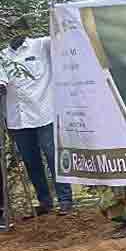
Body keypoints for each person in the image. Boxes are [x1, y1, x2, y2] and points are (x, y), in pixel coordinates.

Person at [0, 17, 74, 217]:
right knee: (31, 162)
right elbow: (2, 82)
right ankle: (44, 201)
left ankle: (65, 199)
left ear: (25, 29)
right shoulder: (3, 56)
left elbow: (65, 37)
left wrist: (58, 13)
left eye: (16, 27)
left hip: (44, 113)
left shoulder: (41, 45)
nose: (13, 31)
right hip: (18, 118)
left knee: (52, 156)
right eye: (9, 28)